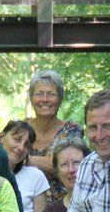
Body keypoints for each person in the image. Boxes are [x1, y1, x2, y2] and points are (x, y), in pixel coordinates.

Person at [23, 70, 83, 200]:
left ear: (60, 99)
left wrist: (22, 159)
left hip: (62, 208)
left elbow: (58, 165)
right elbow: (2, 159)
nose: (45, 100)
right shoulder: (20, 128)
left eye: (51, 94)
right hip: (23, 205)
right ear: (32, 99)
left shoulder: (72, 130)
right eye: (39, 94)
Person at [0, 119, 49, 212]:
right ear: (2, 137)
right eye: (17, 139)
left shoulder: (35, 176)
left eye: (26, 145)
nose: (21, 148)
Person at [41, 138, 89, 212]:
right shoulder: (50, 211)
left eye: (77, 163)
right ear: (57, 171)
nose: (71, 170)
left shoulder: (102, 202)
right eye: (64, 164)